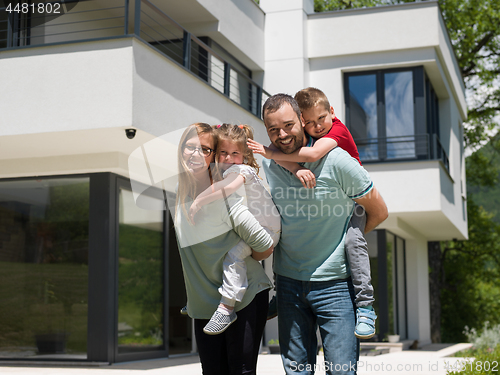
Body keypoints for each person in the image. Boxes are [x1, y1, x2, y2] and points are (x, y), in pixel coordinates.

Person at [260, 94, 388, 375]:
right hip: (288, 285)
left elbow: (379, 211)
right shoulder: (269, 165)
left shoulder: (338, 161)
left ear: (301, 121)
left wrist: (345, 242)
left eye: (288, 125)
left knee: (342, 371)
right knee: (297, 372)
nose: (281, 135)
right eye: (272, 130)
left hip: (337, 286)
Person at [173, 123, 274, 375]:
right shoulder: (180, 193)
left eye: (205, 149)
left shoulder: (223, 193)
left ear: (212, 155)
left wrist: (240, 254)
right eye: (191, 147)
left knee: (240, 371)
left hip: (243, 298)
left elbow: (264, 244)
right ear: (181, 149)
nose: (196, 154)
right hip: (205, 302)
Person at [187, 123, 281, 335]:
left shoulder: (241, 170)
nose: (228, 158)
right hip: (262, 227)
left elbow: (226, 189)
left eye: (234, 153)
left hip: (267, 230)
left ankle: (227, 306)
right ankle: (204, 299)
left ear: (245, 155)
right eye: (223, 153)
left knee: (233, 255)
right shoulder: (227, 172)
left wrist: (199, 201)